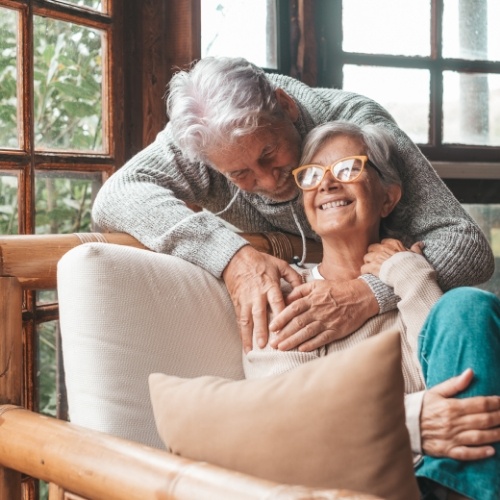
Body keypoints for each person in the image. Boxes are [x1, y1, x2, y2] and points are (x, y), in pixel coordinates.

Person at [92, 56, 494, 356]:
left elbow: (468, 247)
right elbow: (118, 195)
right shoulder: (203, 141)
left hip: (401, 318)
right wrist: (233, 258)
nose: (268, 181)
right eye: (240, 175)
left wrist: (367, 293)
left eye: (270, 153)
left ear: (285, 105)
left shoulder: (359, 130)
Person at [243, 121, 500, 500]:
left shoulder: (418, 282)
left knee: (469, 305)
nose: (328, 184)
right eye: (313, 175)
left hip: (447, 474)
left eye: (349, 168)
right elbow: (288, 420)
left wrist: (407, 275)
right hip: (362, 483)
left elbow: (445, 382)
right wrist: (408, 421)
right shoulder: (287, 299)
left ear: (388, 198)